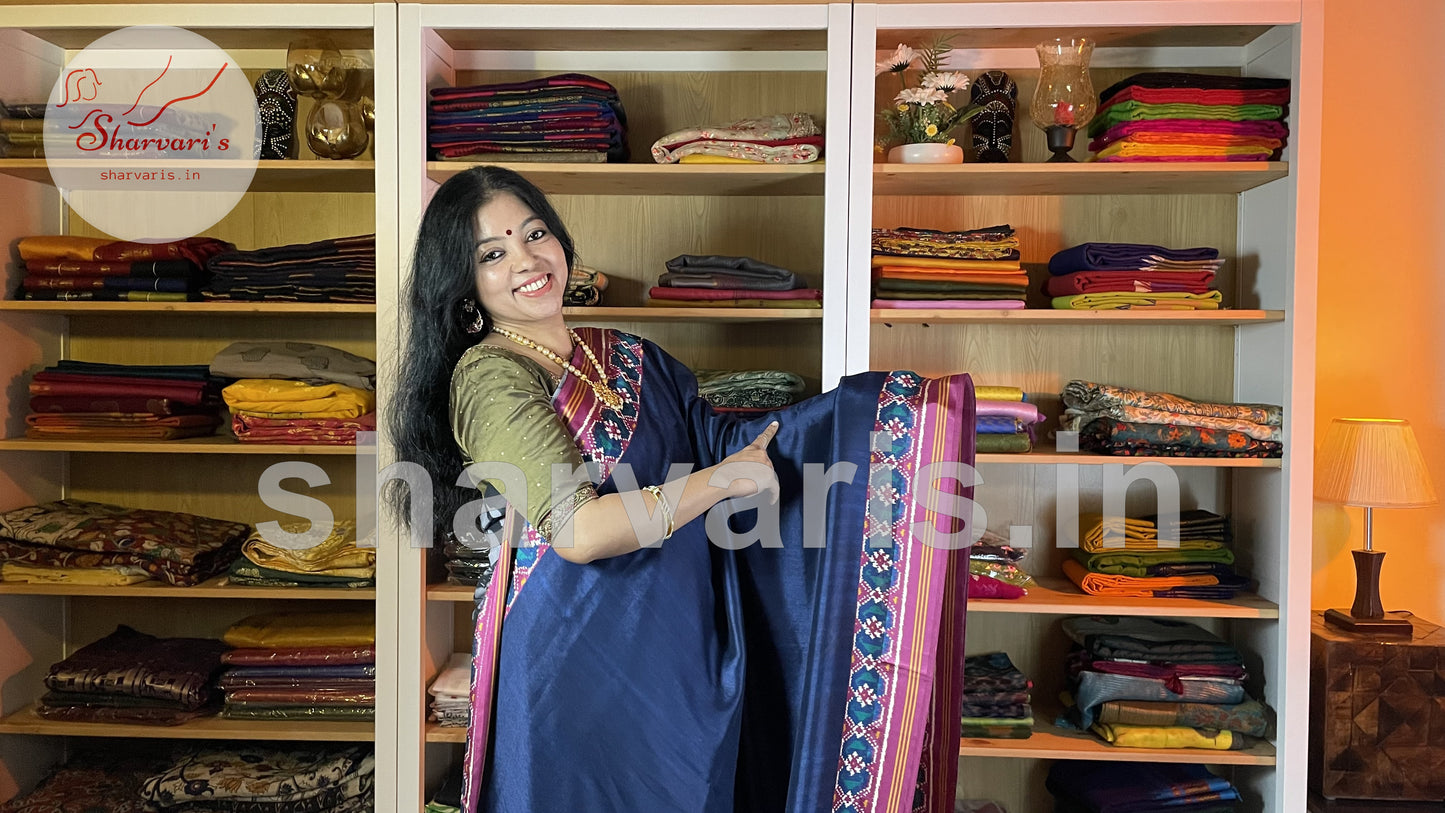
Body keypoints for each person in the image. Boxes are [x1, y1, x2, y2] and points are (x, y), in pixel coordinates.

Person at [392, 166, 978, 813]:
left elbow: (725, 445)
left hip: (675, 645)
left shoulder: (628, 356)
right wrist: (723, 480)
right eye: (494, 254)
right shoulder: (490, 375)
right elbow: (580, 532)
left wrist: (871, 416)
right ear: (465, 284)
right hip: (576, 662)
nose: (527, 259)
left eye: (535, 234)